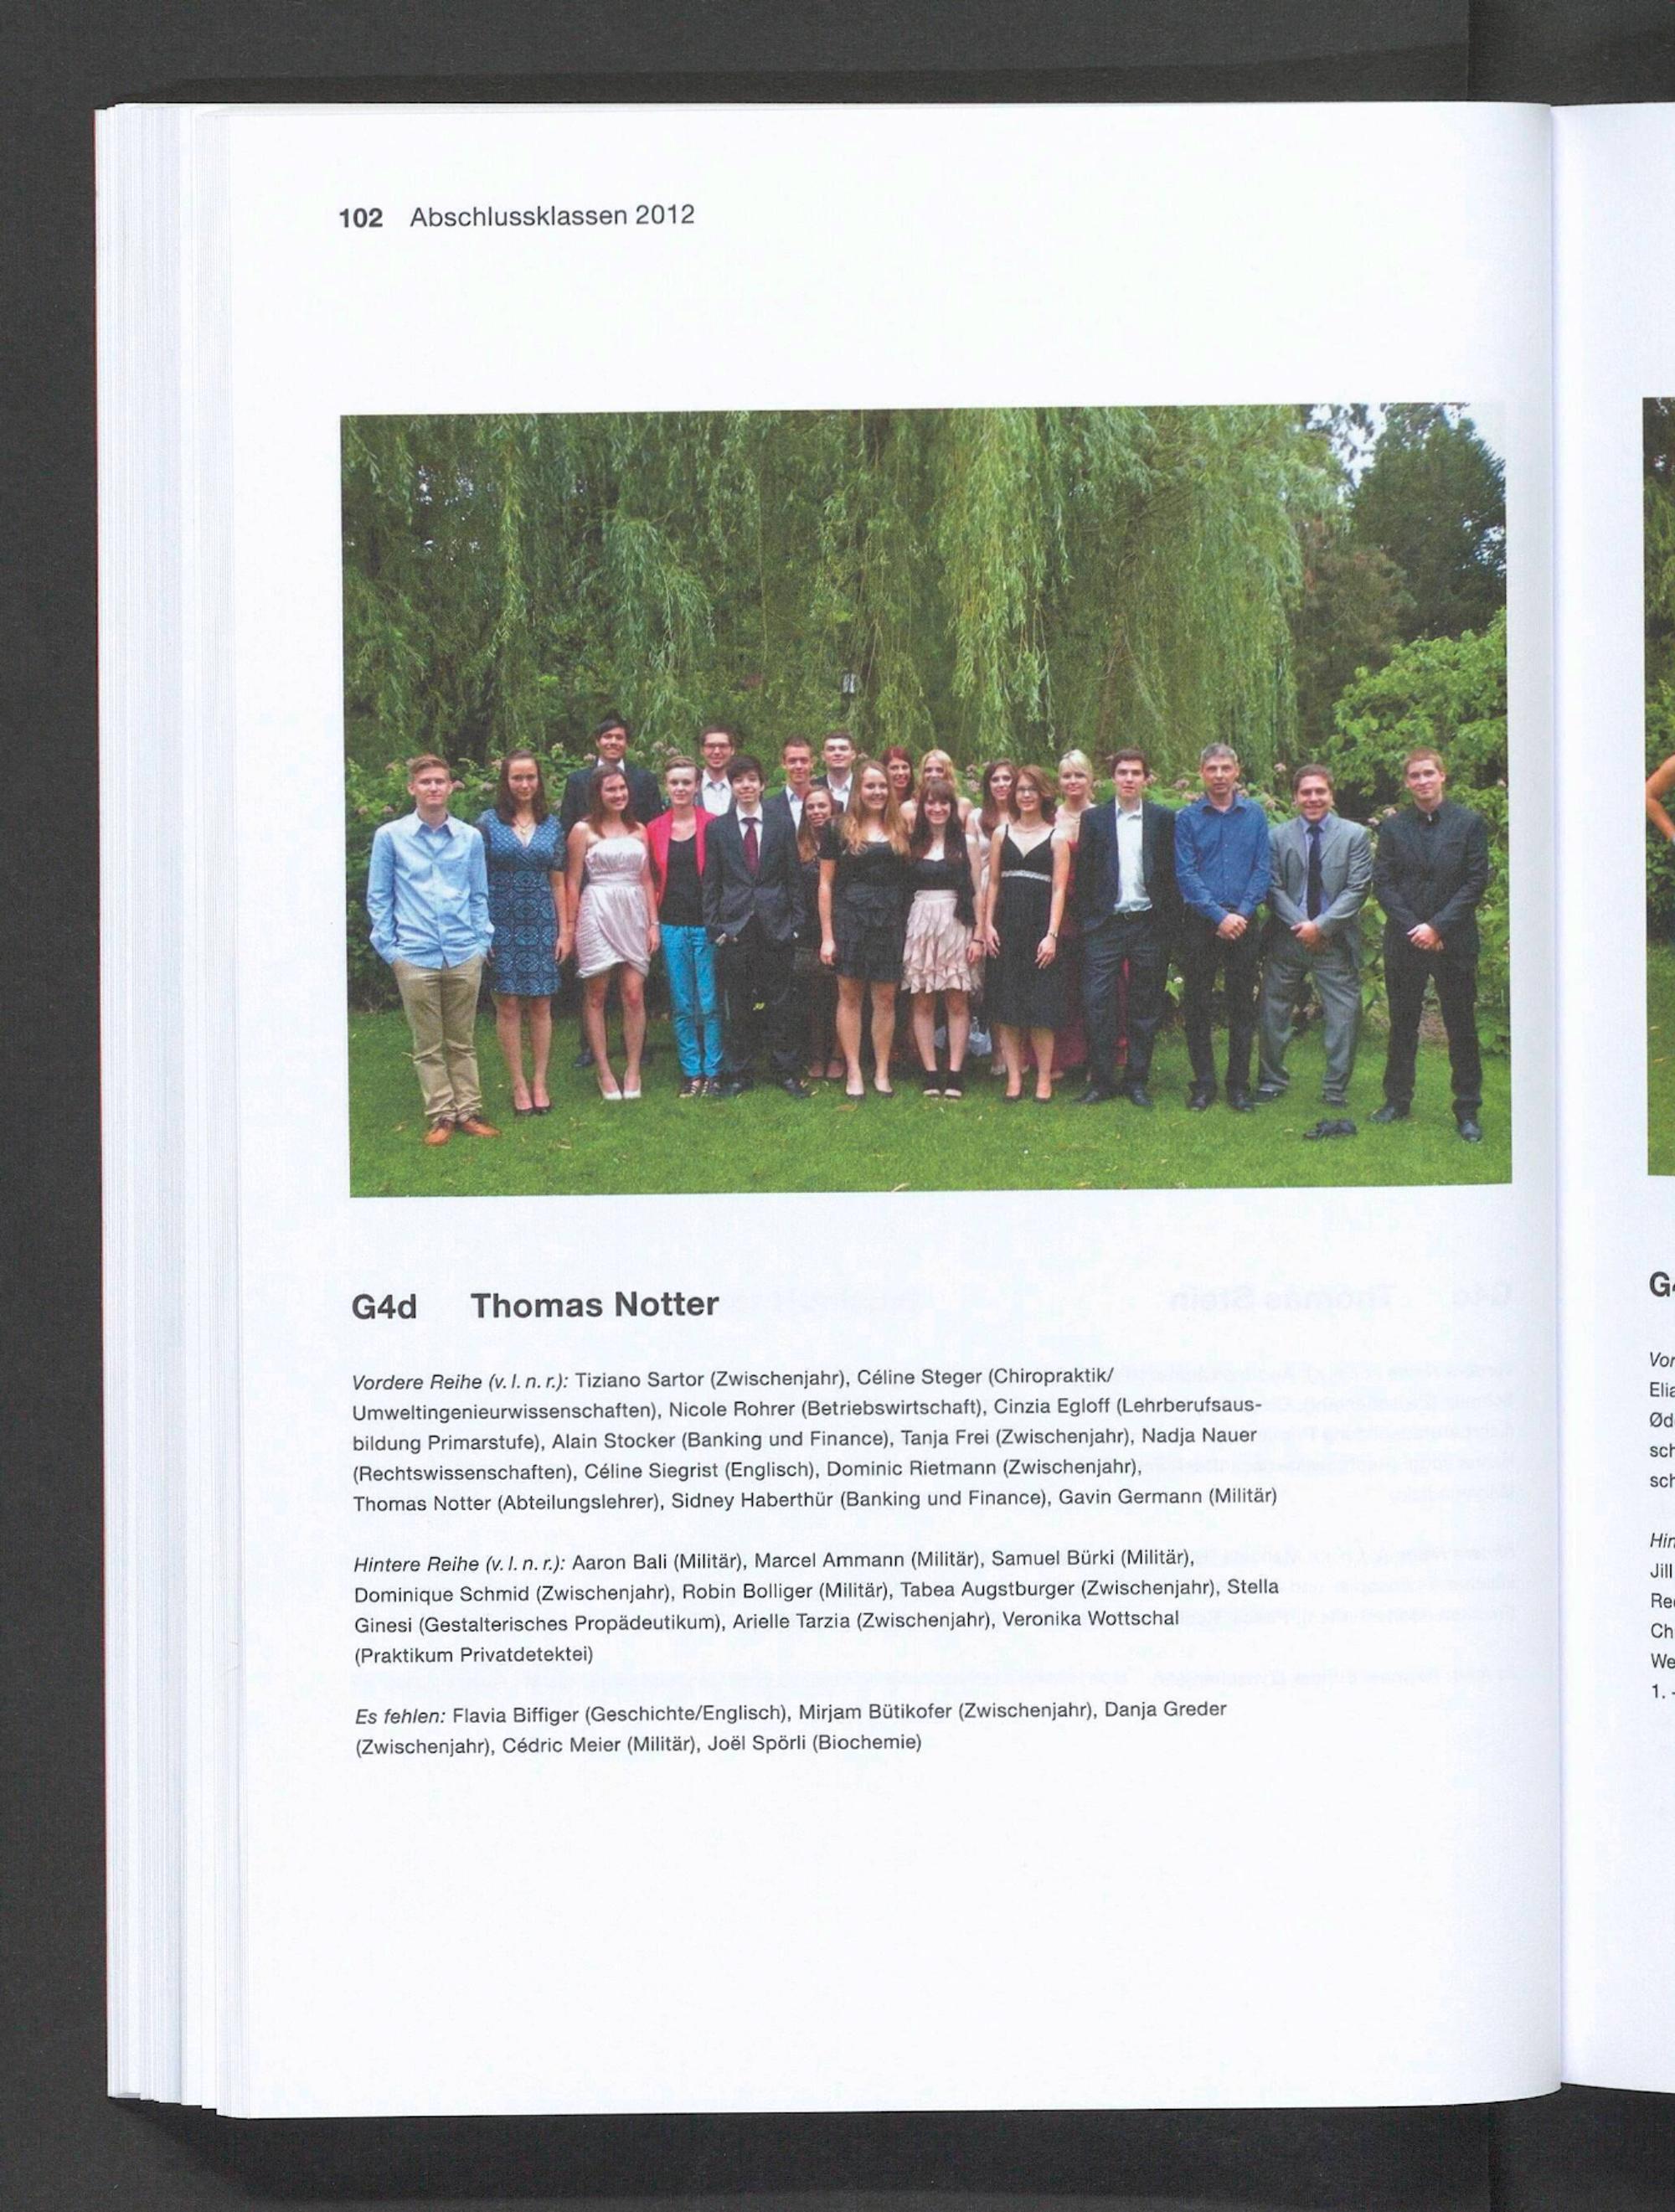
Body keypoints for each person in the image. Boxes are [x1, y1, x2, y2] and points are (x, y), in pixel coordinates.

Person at [366, 753, 499, 1145]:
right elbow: (379, 897)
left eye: (440, 781)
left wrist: (481, 943)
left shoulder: (469, 838)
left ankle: (469, 1111)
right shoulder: (390, 837)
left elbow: (478, 894)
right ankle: (441, 1114)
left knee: (462, 1040)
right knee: (427, 1044)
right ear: (412, 788)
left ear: (451, 787)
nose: (434, 787)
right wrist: (391, 951)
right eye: (426, 782)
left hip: (463, 951)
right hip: (414, 953)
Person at [1371, 746, 1491, 1142]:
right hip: (1405, 940)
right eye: (1415, 775)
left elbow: (1475, 881)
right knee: (1402, 1025)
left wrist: (1437, 928)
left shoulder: (1469, 823)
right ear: (1407, 783)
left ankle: (1467, 1110)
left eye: (1428, 773)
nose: (1422, 781)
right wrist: (1416, 929)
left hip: (1454, 941)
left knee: (1462, 1027)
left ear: (1442, 776)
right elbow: (1384, 883)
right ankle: (1396, 1101)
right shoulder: (1393, 828)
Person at [1255, 764, 1373, 1131]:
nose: (1313, 798)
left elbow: (1358, 888)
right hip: (1287, 938)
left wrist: (1320, 927)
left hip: (1333, 940)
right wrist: (1302, 926)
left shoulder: (1355, 836)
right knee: (1273, 1009)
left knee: (1344, 1013)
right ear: (1295, 797)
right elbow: (1271, 886)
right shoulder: (1277, 837)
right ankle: (1272, 1081)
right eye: (1305, 792)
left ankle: (1335, 1089)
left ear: (1331, 795)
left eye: (1320, 791)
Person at [1074, 747, 1179, 1110]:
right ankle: (1102, 1081)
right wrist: (1090, 921)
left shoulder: (1163, 819)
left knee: (1144, 1006)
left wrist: (1167, 922)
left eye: (1136, 773)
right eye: (1123, 772)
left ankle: (1137, 1081)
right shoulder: (1095, 820)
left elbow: (1171, 873)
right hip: (1106, 925)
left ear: (1146, 779)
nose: (1129, 779)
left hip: (1148, 924)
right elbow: (1085, 875)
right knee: (1097, 1003)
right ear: (1113, 778)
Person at [703, 754, 810, 1098]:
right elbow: (712, 881)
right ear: (731, 786)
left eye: (752, 779)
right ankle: (739, 1073)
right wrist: (716, 927)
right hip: (734, 927)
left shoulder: (781, 824)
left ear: (763, 784)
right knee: (737, 1004)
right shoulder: (717, 829)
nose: (746, 786)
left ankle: (786, 1071)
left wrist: (796, 924)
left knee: (781, 1003)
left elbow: (793, 877)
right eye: (739, 781)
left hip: (776, 925)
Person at [1174, 743, 1271, 1111]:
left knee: (1241, 1006)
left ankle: (1238, 1086)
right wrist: (1219, 916)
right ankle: (1203, 1085)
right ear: (1202, 773)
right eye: (1212, 769)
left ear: (1237, 771)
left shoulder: (1255, 815)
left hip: (1243, 921)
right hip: (1201, 923)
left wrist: (1241, 914)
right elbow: (1186, 873)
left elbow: (1262, 869)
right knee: (1197, 1005)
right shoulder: (1188, 818)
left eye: (1225, 768)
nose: (1219, 775)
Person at [477, 750, 565, 1116]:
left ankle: (540, 1081)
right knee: (509, 1004)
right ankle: (518, 1084)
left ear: (538, 781)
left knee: (542, 1003)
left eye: (530, 777)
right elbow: (476, 879)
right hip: (501, 920)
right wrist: (482, 930)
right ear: (506, 781)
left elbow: (558, 881)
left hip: (542, 920)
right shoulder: (487, 823)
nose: (525, 784)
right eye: (517, 777)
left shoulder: (552, 825)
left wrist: (565, 931)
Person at [818, 757, 912, 1099]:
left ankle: (882, 1071)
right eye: (870, 786)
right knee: (850, 996)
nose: (877, 792)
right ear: (858, 789)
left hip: (889, 920)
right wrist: (827, 937)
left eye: (882, 786)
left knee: (885, 998)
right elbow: (825, 884)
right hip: (850, 919)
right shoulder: (837, 829)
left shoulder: (901, 828)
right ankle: (854, 1071)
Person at [978, 764, 1070, 1103]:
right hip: (1006, 927)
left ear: (1043, 794)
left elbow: (1059, 889)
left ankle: (1044, 1079)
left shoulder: (1056, 838)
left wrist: (1052, 935)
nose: (1026, 795)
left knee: (1041, 1009)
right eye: (1021, 790)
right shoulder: (1001, 834)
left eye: (1032, 789)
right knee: (1007, 1007)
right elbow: (994, 883)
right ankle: (1014, 1079)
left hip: (1039, 929)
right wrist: (987, 924)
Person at [564, 766, 657, 1101]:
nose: (618, 795)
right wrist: (571, 926)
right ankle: (604, 1070)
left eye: (622, 788)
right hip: (597, 911)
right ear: (598, 794)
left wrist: (653, 923)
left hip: (634, 912)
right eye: (611, 790)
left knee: (633, 994)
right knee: (597, 994)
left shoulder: (639, 830)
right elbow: (573, 882)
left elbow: (647, 879)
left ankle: (632, 1069)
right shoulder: (583, 830)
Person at [646, 757, 722, 1098]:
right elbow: (648, 879)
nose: (680, 788)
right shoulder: (654, 829)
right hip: (672, 924)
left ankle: (714, 1070)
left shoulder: (713, 825)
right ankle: (692, 1071)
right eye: (674, 782)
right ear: (667, 785)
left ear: (697, 786)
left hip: (706, 924)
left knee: (710, 1002)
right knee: (682, 1003)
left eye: (686, 782)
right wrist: (653, 922)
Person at [903, 776, 978, 1096]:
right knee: (922, 999)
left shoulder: (966, 843)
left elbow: (976, 891)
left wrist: (978, 936)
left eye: (943, 802)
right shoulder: (912, 844)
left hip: (956, 923)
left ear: (952, 807)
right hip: (921, 923)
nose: (937, 808)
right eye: (931, 802)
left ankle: (956, 1072)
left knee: (957, 999)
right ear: (923, 807)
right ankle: (931, 1072)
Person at [794, 782, 842, 1081]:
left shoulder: (844, 840)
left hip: (840, 924)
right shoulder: (797, 845)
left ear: (833, 808)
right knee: (812, 998)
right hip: (807, 929)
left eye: (821, 805)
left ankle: (837, 1055)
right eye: (810, 807)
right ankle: (815, 1055)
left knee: (840, 995)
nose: (816, 811)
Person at [558, 713, 665, 835]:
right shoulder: (577, 781)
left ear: (627, 743)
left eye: (619, 738)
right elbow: (567, 826)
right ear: (597, 742)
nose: (613, 742)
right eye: (607, 737)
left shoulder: (645, 780)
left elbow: (655, 826)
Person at [770, 735, 817, 835]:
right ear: (783, 763)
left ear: (812, 763)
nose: (798, 766)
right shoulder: (768, 808)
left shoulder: (830, 805)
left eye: (804, 761)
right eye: (792, 761)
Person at [698, 724, 738, 816]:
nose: (716, 752)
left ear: (732, 750)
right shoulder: (690, 786)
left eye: (723, 746)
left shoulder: (742, 786)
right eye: (710, 746)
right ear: (702, 750)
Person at [816, 729, 857, 813]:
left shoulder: (863, 786)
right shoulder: (813, 787)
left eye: (843, 749)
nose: (837, 753)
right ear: (823, 756)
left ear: (853, 755)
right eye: (831, 749)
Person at [881, 745, 916, 816]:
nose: (901, 773)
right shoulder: (879, 803)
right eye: (894, 768)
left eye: (905, 767)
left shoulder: (918, 801)